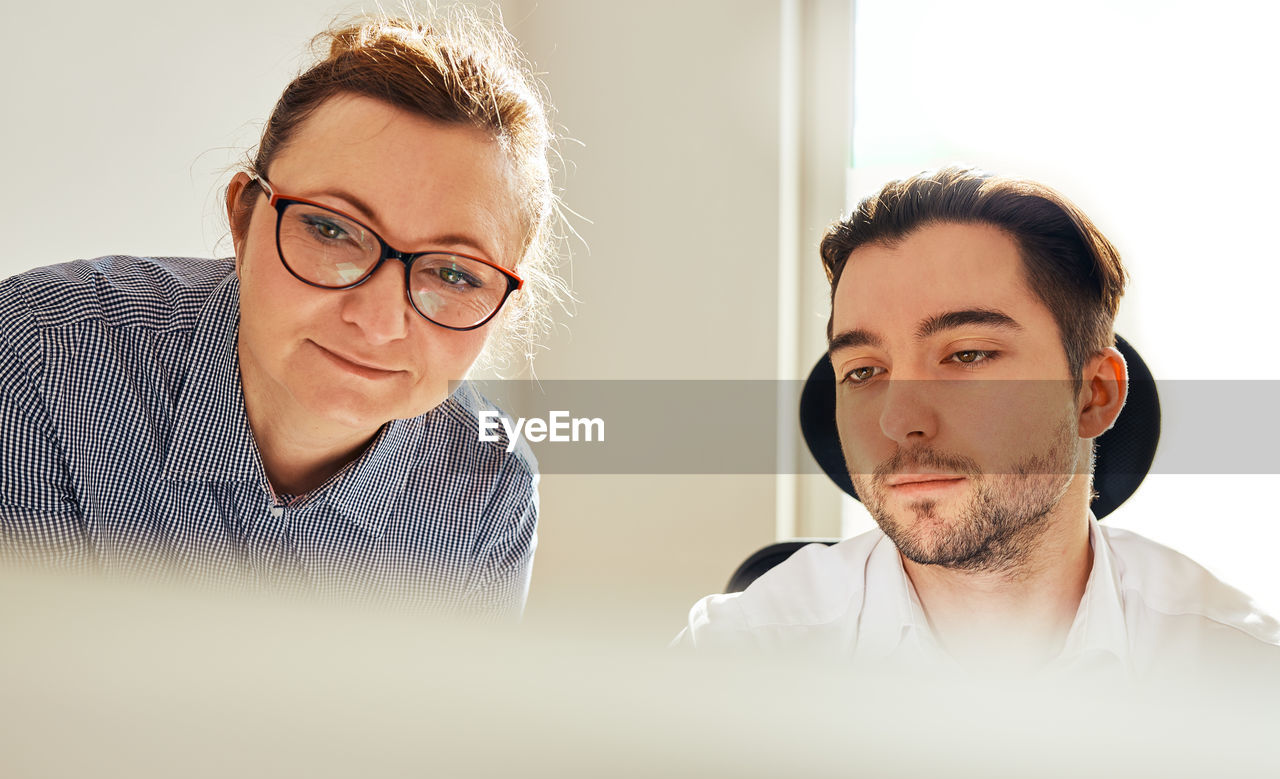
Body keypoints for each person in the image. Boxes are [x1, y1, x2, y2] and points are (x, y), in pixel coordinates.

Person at [0, 10, 565, 618]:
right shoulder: (38, 358)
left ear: (501, 308)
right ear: (243, 221)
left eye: (454, 273)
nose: (377, 323)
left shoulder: (490, 490)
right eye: (331, 230)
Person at [676, 166, 1278, 676]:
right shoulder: (742, 656)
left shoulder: (1240, 673)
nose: (899, 420)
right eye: (863, 371)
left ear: (1094, 394)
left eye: (967, 355)